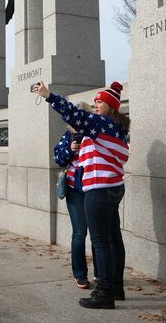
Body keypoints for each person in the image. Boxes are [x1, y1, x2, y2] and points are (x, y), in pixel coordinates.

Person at [33, 81, 130, 309]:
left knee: (101, 241)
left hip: (98, 189)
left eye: (100, 102)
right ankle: (116, 286)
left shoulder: (101, 125)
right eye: (95, 101)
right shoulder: (117, 127)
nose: (96, 105)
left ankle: (104, 292)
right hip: (114, 187)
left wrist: (48, 95)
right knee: (114, 238)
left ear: (111, 107)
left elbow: (74, 114)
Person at [54, 105, 99, 290]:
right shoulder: (68, 136)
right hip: (74, 189)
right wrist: (71, 150)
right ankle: (80, 274)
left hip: (95, 187)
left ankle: (101, 272)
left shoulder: (95, 132)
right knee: (80, 233)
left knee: (98, 235)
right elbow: (58, 158)